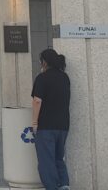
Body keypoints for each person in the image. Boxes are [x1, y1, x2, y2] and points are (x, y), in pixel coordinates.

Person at [31, 49, 70, 190]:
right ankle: (64, 185)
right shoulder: (65, 77)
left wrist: (34, 122)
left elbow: (37, 101)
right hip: (63, 125)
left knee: (46, 161)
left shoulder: (42, 78)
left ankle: (52, 187)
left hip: (46, 126)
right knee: (58, 158)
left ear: (44, 62)